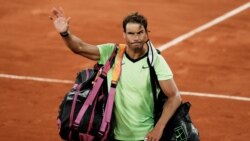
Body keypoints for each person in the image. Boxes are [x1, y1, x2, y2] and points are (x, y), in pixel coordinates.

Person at [50, 7, 182, 141]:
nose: (136, 38)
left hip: (145, 136)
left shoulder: (155, 61)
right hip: (113, 135)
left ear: (147, 34)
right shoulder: (112, 53)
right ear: (124, 34)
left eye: (140, 33)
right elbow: (79, 47)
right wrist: (65, 34)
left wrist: (159, 128)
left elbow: (174, 96)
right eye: (131, 33)